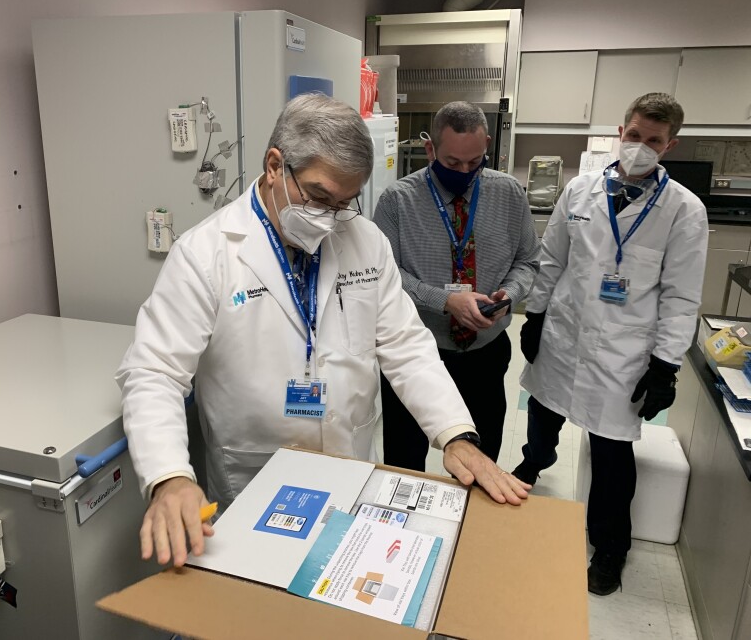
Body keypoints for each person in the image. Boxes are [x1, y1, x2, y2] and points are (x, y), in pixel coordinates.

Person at [117, 94, 530, 569]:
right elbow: (154, 372)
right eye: (318, 197)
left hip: (349, 463)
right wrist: (168, 477)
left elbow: (405, 345)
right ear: (275, 165)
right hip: (255, 474)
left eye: (345, 203)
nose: (330, 217)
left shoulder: (364, 241)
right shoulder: (205, 255)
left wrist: (454, 434)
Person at [511, 93, 708, 596]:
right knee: (542, 409)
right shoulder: (580, 191)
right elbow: (551, 259)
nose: (641, 147)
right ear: (622, 131)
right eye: (634, 135)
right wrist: (534, 316)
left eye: (654, 141)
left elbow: (682, 298)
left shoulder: (685, 211)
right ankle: (535, 462)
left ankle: (610, 546)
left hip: (624, 351)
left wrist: (666, 366)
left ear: (671, 145)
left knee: (612, 453)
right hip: (565, 332)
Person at [373, 101, 540, 468]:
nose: (465, 172)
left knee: (481, 462)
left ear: (487, 146)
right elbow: (385, 276)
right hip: (416, 353)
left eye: (474, 161)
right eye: (452, 163)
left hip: (485, 352)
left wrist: (508, 296)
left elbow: (528, 261)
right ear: (430, 148)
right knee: (405, 461)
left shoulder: (510, 194)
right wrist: (445, 301)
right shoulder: (397, 201)